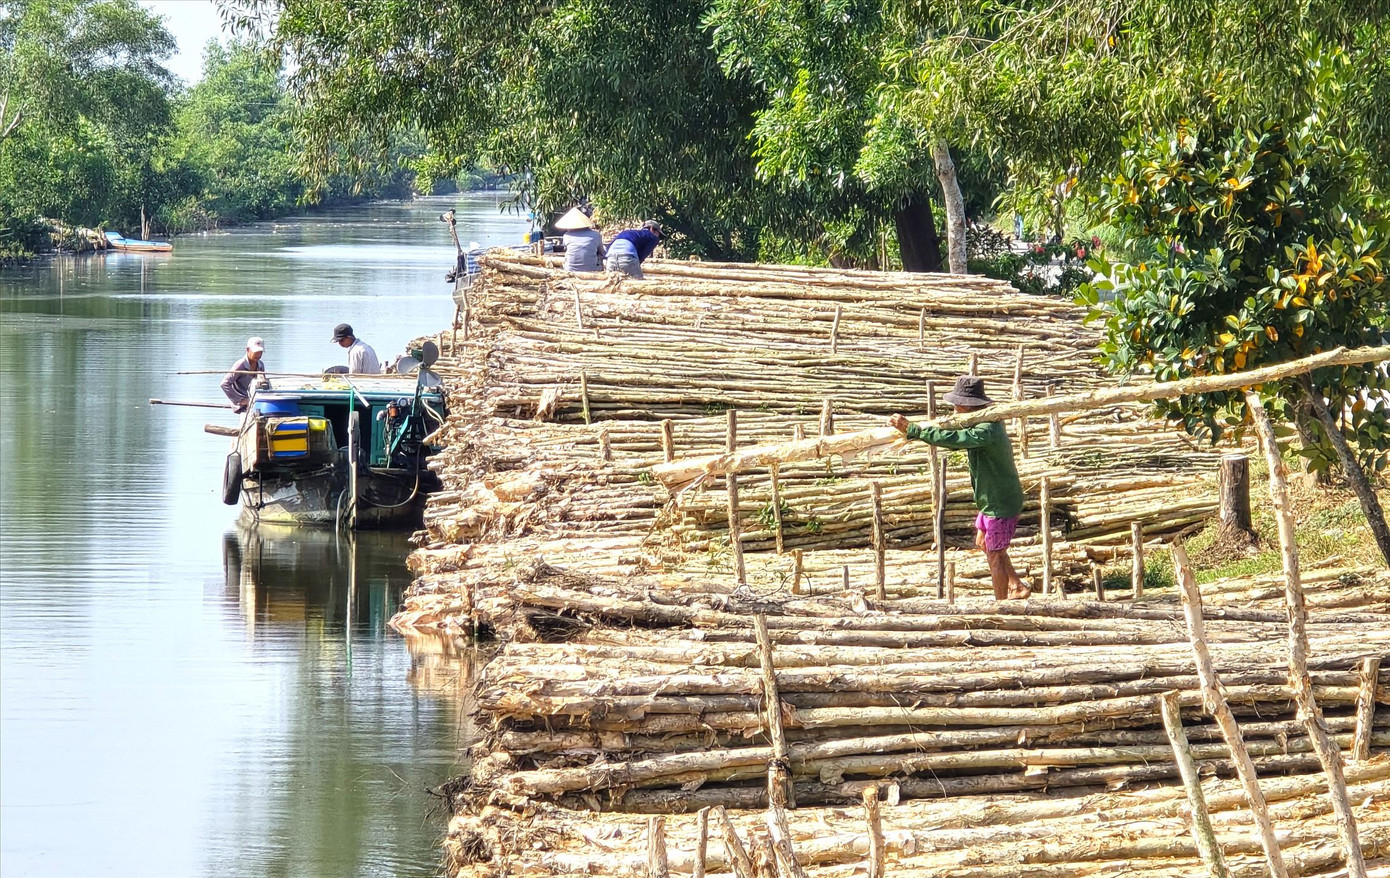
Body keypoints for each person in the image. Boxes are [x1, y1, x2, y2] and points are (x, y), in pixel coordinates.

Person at [888, 376, 1031, 600]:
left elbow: (956, 440)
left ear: (965, 405)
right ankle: (1016, 584)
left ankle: (1001, 607)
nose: (954, 409)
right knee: (984, 543)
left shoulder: (985, 430)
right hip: (989, 498)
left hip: (1000, 501)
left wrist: (914, 430)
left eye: (956, 405)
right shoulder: (981, 422)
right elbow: (955, 437)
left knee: (994, 555)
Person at [220, 336, 267, 412]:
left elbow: (263, 385)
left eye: (260, 352)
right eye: (256, 352)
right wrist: (240, 400)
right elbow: (224, 384)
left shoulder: (260, 365)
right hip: (242, 406)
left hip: (255, 402)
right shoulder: (240, 365)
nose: (258, 355)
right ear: (248, 350)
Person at [556, 206, 605, 272]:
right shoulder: (596, 235)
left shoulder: (566, 236)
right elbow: (602, 253)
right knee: (600, 256)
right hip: (592, 269)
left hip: (570, 269)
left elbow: (566, 249)